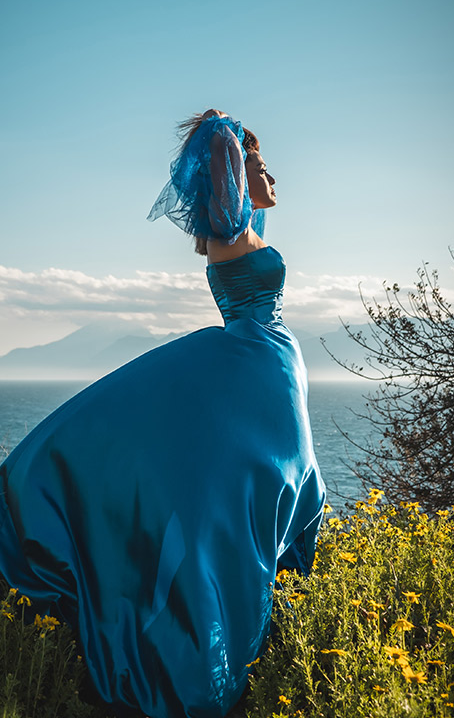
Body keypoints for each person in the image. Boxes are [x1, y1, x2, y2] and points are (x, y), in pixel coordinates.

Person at [0, 110, 325, 718]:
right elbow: (228, 176)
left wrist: (245, 164)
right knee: (232, 506)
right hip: (253, 364)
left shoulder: (244, 227)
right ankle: (202, 650)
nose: (272, 174)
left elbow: (249, 202)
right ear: (231, 170)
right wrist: (226, 133)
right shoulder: (229, 229)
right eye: (260, 164)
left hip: (266, 366)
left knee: (249, 500)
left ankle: (225, 630)